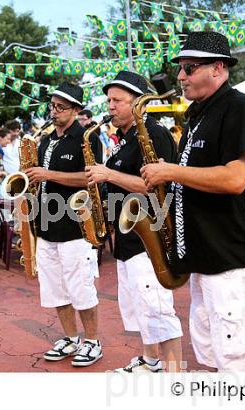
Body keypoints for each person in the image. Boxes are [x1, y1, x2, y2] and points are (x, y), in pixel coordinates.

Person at [141, 31, 245, 372]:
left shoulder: (240, 108)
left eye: (189, 68)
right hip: (207, 259)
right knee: (214, 355)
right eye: (181, 69)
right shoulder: (197, 114)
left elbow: (234, 179)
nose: (181, 76)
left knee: (242, 363)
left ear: (218, 68)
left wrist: (171, 172)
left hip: (233, 260)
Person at [85, 71, 183, 373]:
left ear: (137, 103)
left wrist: (108, 174)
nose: (110, 106)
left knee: (158, 309)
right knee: (142, 306)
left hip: (150, 234)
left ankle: (175, 376)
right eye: (109, 100)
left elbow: (157, 185)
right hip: (130, 237)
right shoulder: (126, 137)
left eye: (117, 100)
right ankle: (150, 360)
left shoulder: (153, 134)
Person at [24, 82, 102, 367]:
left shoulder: (87, 138)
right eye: (52, 106)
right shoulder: (45, 139)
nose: (53, 112)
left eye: (60, 107)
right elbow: (41, 176)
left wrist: (48, 175)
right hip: (45, 225)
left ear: (76, 110)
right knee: (54, 288)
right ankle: (71, 338)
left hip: (75, 226)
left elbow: (90, 178)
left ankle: (92, 341)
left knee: (80, 288)